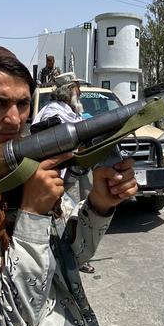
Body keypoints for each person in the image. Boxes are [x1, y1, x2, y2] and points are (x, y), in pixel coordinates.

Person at [0, 45, 137, 326]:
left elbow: (70, 258)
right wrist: (32, 214)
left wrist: (99, 204)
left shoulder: (27, 173)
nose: (15, 119)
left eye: (22, 104)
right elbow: (9, 324)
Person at [32, 71, 96, 274]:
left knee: (77, 216)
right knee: (67, 219)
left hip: (75, 171)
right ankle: (71, 258)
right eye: (77, 88)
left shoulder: (69, 111)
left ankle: (74, 255)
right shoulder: (53, 114)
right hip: (61, 176)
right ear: (69, 91)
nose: (80, 92)